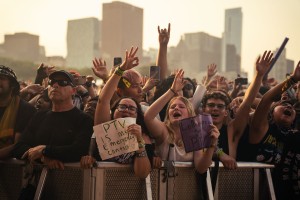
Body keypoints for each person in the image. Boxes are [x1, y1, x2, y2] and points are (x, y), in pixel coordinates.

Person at [81, 47, 152, 178]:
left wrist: (139, 142)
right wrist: (122, 68)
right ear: (113, 112)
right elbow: (104, 99)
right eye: (122, 107)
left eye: (132, 109)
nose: (127, 111)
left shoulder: (142, 136)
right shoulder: (104, 128)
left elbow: (143, 173)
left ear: (138, 116)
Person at [12, 70, 93, 169]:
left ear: (73, 91)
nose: (55, 85)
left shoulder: (83, 120)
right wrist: (43, 158)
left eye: (62, 83)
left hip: (70, 180)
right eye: (51, 82)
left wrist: (45, 150)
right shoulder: (39, 116)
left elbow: (79, 150)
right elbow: (18, 148)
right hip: (37, 181)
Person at [144, 69, 219, 172]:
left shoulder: (194, 134)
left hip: (184, 186)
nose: (176, 108)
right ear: (168, 114)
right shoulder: (164, 130)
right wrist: (171, 91)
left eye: (181, 107)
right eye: (173, 107)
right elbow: (148, 117)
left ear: (190, 113)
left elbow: (201, 168)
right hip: (161, 186)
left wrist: (211, 145)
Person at [249, 61, 300, 199]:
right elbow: (268, 98)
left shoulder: (293, 138)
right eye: (284, 104)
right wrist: (293, 79)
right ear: (271, 112)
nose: (289, 107)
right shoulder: (262, 129)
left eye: (292, 107)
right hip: (254, 194)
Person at [0, 65, 36, 159]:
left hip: (12, 169)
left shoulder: (25, 109)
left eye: (1, 78)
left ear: (12, 85)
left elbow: (18, 146)